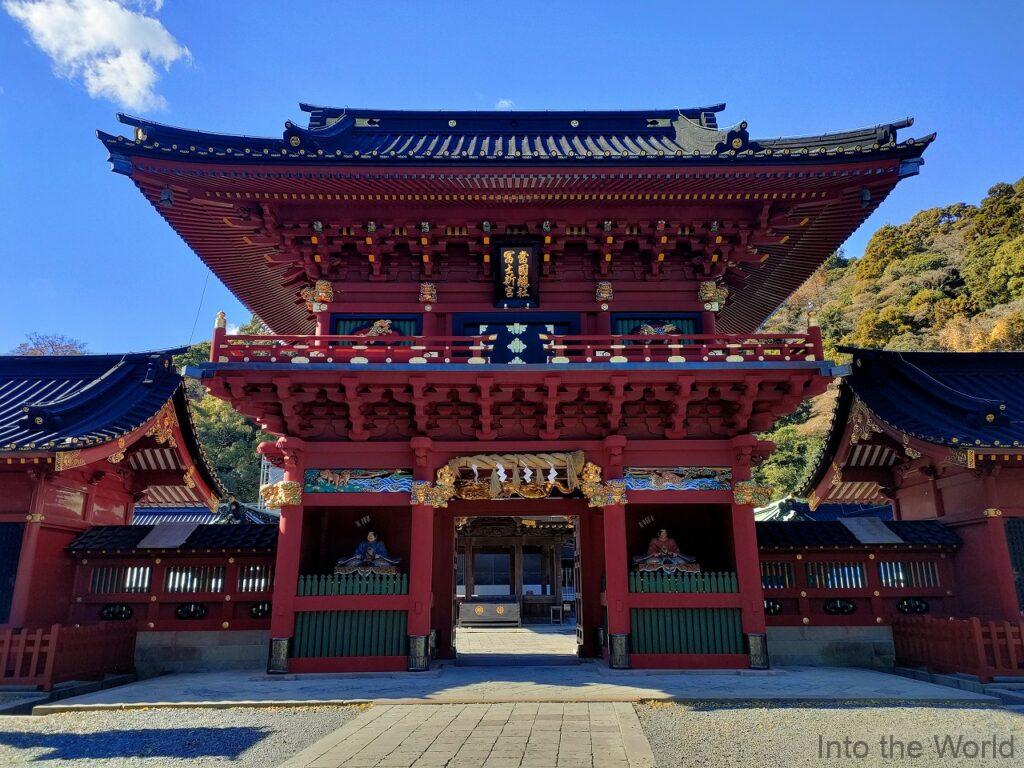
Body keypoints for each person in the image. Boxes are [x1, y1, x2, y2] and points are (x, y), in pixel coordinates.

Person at [633, 528, 700, 573]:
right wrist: (655, 553)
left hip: (671, 558)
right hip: (658, 558)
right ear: (659, 534)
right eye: (662, 533)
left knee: (682, 561)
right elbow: (650, 551)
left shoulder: (671, 541)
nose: (664, 534)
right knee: (649, 561)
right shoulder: (654, 540)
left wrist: (674, 553)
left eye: (665, 533)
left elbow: (677, 551)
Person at [335, 531, 401, 574]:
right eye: (368, 535)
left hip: (376, 560)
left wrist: (379, 555)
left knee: (382, 563)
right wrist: (358, 555)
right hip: (363, 560)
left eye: (371, 535)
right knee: (353, 562)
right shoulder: (362, 543)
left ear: (375, 537)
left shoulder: (379, 544)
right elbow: (358, 552)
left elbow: (384, 553)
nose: (369, 537)